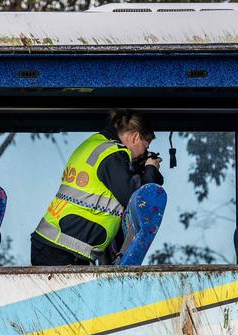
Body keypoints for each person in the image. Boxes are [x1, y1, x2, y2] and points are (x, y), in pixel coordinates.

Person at [31, 109, 163, 266]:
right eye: (145, 146)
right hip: (62, 250)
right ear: (135, 137)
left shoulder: (95, 144)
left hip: (55, 244)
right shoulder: (113, 154)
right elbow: (139, 198)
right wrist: (151, 169)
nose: (145, 152)